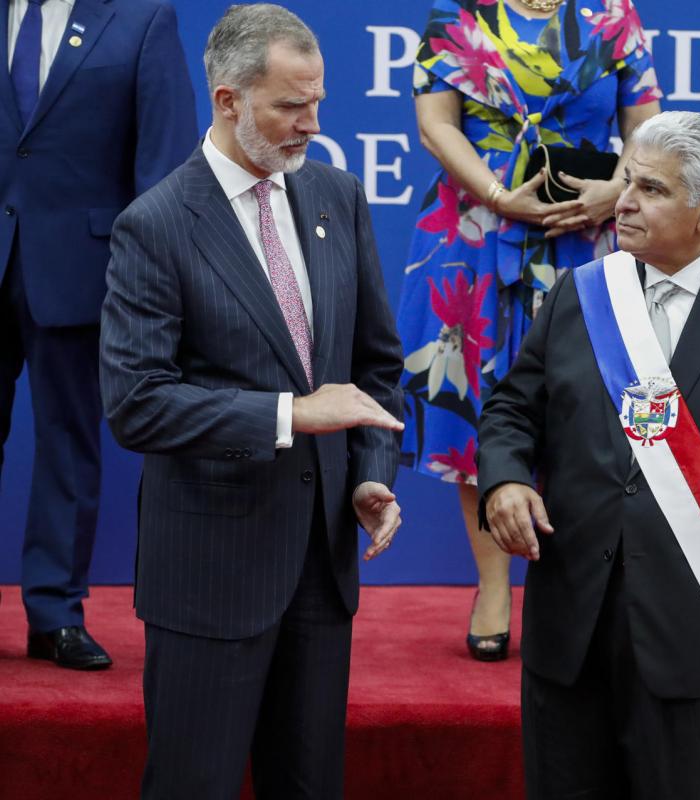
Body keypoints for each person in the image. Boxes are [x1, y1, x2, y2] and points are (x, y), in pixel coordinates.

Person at [477, 111, 700, 799]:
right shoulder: (583, 293)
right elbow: (510, 409)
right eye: (626, 181)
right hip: (571, 631)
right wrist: (503, 481)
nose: (622, 202)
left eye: (650, 189)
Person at [98, 5, 406, 796]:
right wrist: (288, 415)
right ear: (228, 100)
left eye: (318, 101)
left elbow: (374, 369)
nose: (313, 124)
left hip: (321, 572)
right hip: (209, 575)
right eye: (291, 105)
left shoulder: (337, 195)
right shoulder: (155, 225)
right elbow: (137, 403)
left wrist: (371, 476)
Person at [399, 0, 662, 661]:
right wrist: (496, 195)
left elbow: (646, 125)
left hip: (587, 233)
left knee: (589, 408)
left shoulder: (612, 15)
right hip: (476, 235)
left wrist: (618, 190)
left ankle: (576, 589)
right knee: (479, 405)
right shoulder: (457, 14)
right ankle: (493, 588)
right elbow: (435, 125)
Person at [0, 0, 196, 669]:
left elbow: (164, 168)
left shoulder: (142, 19)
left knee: (68, 443)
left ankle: (54, 613)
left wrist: (148, 284)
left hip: (84, 273)